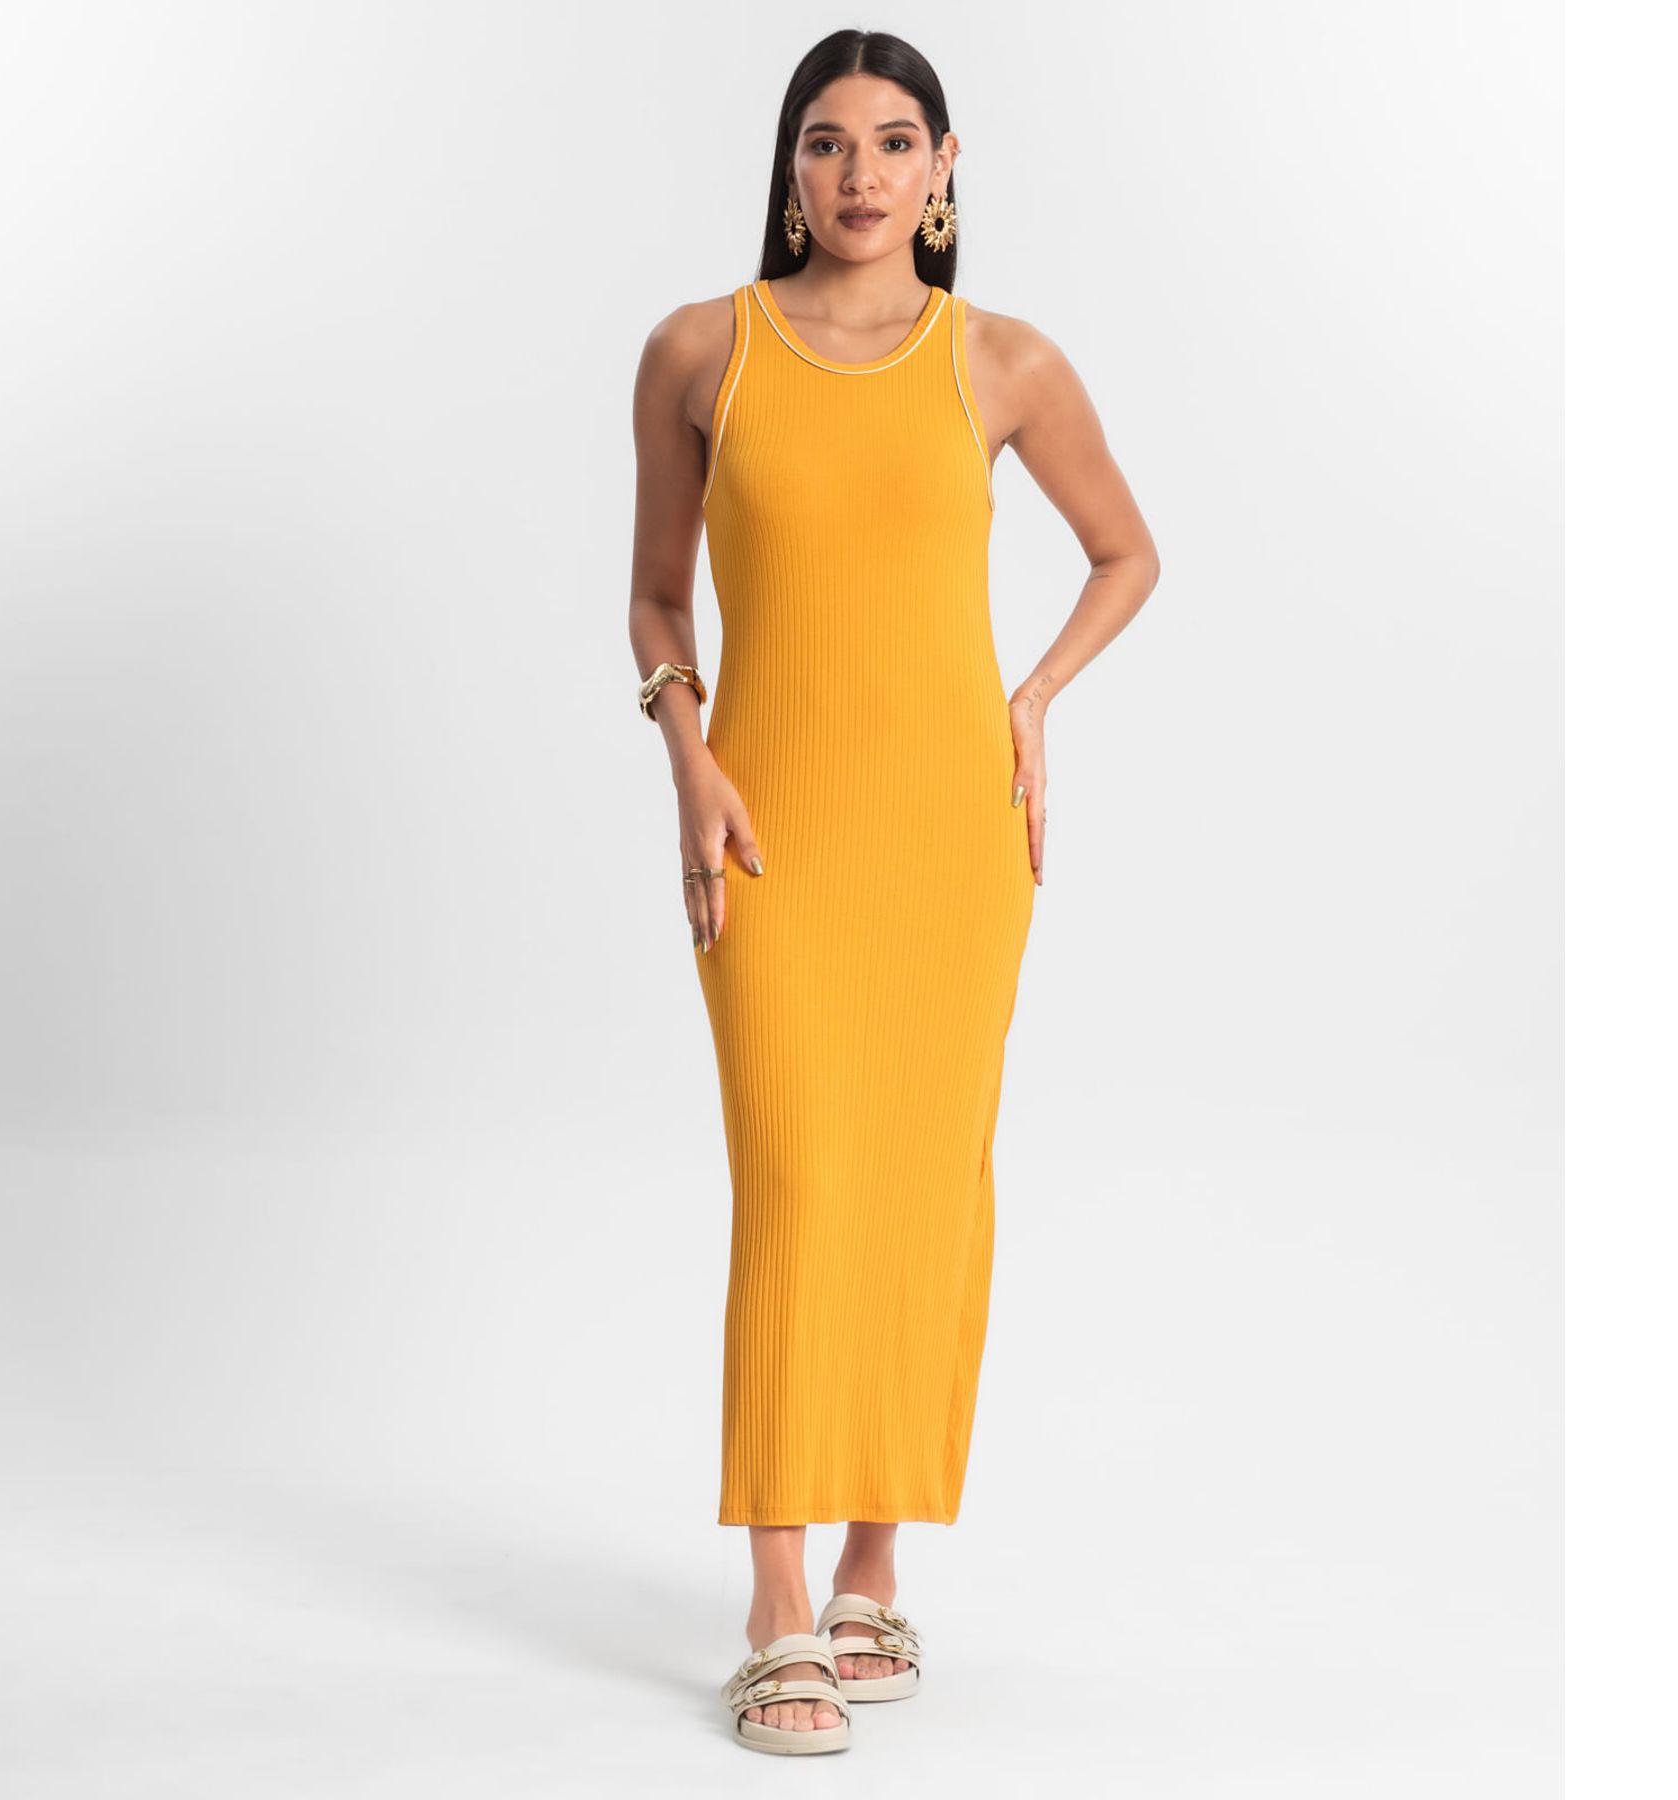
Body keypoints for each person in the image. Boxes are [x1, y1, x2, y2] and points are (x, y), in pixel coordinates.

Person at [627, 28, 1160, 1755]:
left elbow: (1127, 551)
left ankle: (872, 1563)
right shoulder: (701, 351)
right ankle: (774, 1597)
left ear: (944, 168)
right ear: (790, 165)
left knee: (925, 1191)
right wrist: (687, 753)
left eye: (894, 141)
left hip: (949, 837)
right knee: (797, 1181)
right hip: (769, 829)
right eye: (828, 141)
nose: (860, 173)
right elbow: (656, 596)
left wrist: (1034, 697)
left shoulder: (1000, 361)